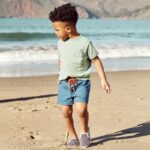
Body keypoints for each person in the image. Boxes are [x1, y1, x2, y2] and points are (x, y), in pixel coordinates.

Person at [49, 3, 110, 148]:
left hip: (82, 82)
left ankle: (84, 131)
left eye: (57, 30)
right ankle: (72, 135)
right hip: (64, 82)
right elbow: (61, 60)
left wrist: (103, 80)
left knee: (81, 110)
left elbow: (95, 60)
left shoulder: (85, 43)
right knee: (66, 111)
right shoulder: (60, 43)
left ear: (68, 28)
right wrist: (61, 75)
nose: (55, 32)